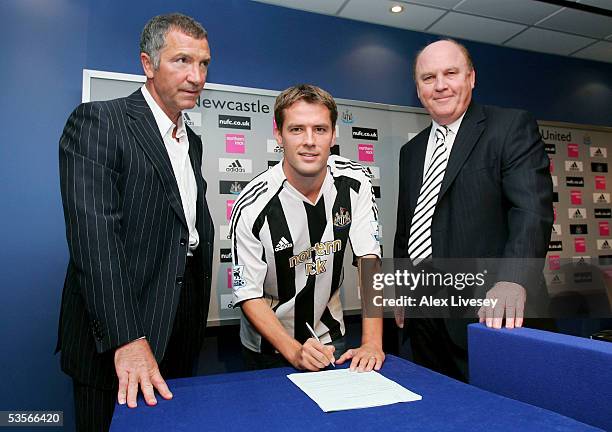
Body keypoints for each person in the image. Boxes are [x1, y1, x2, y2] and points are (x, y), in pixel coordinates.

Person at [56, 13, 214, 431]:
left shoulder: (191, 141)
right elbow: (95, 238)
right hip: (117, 336)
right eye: (182, 61)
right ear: (148, 64)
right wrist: (127, 339)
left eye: (203, 64)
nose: (196, 76)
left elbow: (184, 233)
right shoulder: (99, 122)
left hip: (178, 328)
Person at [393, 39, 553, 380]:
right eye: (428, 77)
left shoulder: (510, 127)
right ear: (418, 88)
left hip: (490, 314)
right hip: (425, 315)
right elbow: (407, 225)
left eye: (450, 73)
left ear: (471, 78)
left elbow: (531, 210)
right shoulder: (411, 151)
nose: (440, 85)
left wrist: (514, 279)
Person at [230, 84, 384, 372]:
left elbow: (369, 262)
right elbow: (247, 292)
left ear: (334, 133)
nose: (310, 141)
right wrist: (294, 351)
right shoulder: (252, 204)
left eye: (320, 129)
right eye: (297, 129)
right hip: (269, 344)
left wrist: (372, 342)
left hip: (330, 337)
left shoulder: (355, 182)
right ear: (279, 134)